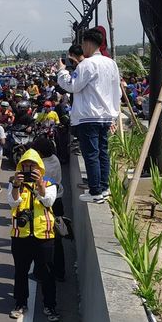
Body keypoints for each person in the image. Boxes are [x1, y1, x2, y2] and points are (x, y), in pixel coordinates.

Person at [55, 28, 120, 204]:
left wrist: (62, 71)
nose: (82, 47)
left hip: (88, 116)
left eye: (83, 43)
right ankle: (103, 188)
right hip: (105, 116)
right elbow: (117, 91)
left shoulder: (87, 64)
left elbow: (72, 85)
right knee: (102, 153)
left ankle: (95, 192)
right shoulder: (111, 63)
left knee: (91, 155)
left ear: (89, 43)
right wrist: (114, 113)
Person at [6, 149, 60, 322]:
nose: (28, 169)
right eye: (25, 166)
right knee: (20, 271)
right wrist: (16, 185)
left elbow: (49, 201)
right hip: (20, 236)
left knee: (47, 273)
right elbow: (12, 202)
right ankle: (20, 303)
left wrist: (40, 185)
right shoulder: (15, 183)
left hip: (43, 235)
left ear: (40, 168)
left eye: (32, 166)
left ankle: (50, 305)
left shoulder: (49, 183)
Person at [33, 136, 66, 282]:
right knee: (57, 239)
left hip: (47, 202)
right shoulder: (55, 159)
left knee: (43, 239)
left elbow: (40, 187)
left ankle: (42, 272)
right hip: (58, 201)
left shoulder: (42, 165)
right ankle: (59, 271)